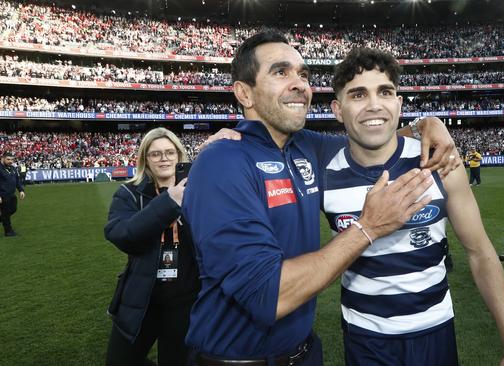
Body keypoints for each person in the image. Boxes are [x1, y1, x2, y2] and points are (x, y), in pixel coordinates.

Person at [182, 31, 458, 366]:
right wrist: (368, 228)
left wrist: (427, 124)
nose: (298, 83)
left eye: (303, 74)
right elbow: (268, 296)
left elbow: (372, 134)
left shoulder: (305, 147)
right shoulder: (222, 163)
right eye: (280, 72)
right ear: (244, 92)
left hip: (304, 353)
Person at [325, 47, 504, 366]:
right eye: (358, 94)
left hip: (435, 331)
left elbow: (480, 252)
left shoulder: (440, 161)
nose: (374, 104)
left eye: (385, 92)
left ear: (399, 103)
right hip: (364, 337)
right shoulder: (324, 173)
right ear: (338, 109)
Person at [104, 127, 200, 366]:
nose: (164, 158)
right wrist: (169, 202)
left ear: (179, 155)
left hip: (186, 300)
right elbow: (123, 235)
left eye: (170, 152)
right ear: (145, 159)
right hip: (141, 298)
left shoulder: (200, 191)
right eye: (155, 154)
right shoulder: (128, 193)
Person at [0, 152, 26, 236]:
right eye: (8, 159)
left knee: (13, 209)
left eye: (12, 159)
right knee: (6, 213)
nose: (10, 161)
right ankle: (8, 231)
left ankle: (4, 219)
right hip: (3, 195)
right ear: (2, 158)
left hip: (11, 194)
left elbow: (17, 180)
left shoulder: (13, 168)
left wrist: (21, 190)